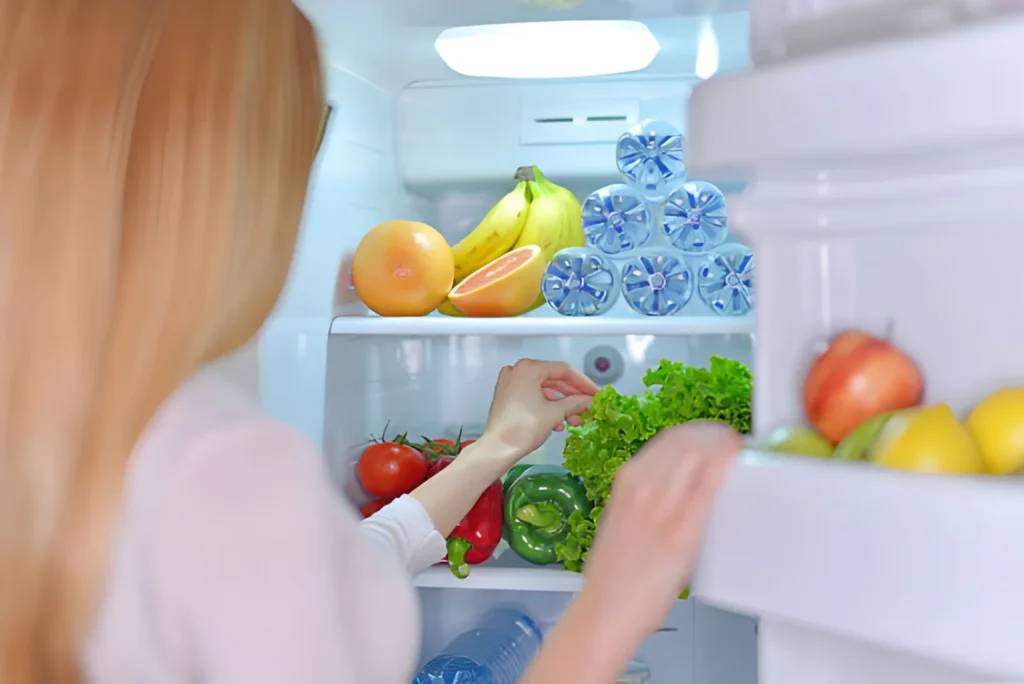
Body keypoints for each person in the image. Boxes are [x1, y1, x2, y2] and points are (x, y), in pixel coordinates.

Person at [0, 0, 742, 682]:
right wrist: (615, 602)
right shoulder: (223, 464)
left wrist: (495, 450)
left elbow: (319, 579)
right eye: (304, 134)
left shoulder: (63, 434)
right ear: (219, 169)